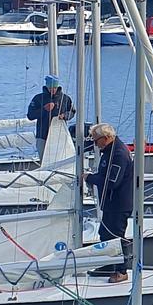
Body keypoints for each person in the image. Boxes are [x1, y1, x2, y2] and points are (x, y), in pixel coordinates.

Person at [85, 123, 134, 283]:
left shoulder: (118, 153)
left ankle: (122, 270)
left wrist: (90, 178)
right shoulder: (108, 151)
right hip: (110, 202)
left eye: (96, 140)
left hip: (119, 203)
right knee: (105, 234)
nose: (95, 144)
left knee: (117, 236)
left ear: (106, 138)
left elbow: (112, 181)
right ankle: (108, 265)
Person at [26, 74, 75, 160]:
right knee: (44, 159)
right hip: (42, 135)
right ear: (47, 87)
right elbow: (30, 115)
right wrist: (44, 109)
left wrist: (65, 115)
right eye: (50, 88)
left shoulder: (65, 98)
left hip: (59, 135)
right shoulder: (38, 98)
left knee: (60, 158)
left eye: (54, 88)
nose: (52, 90)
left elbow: (72, 112)